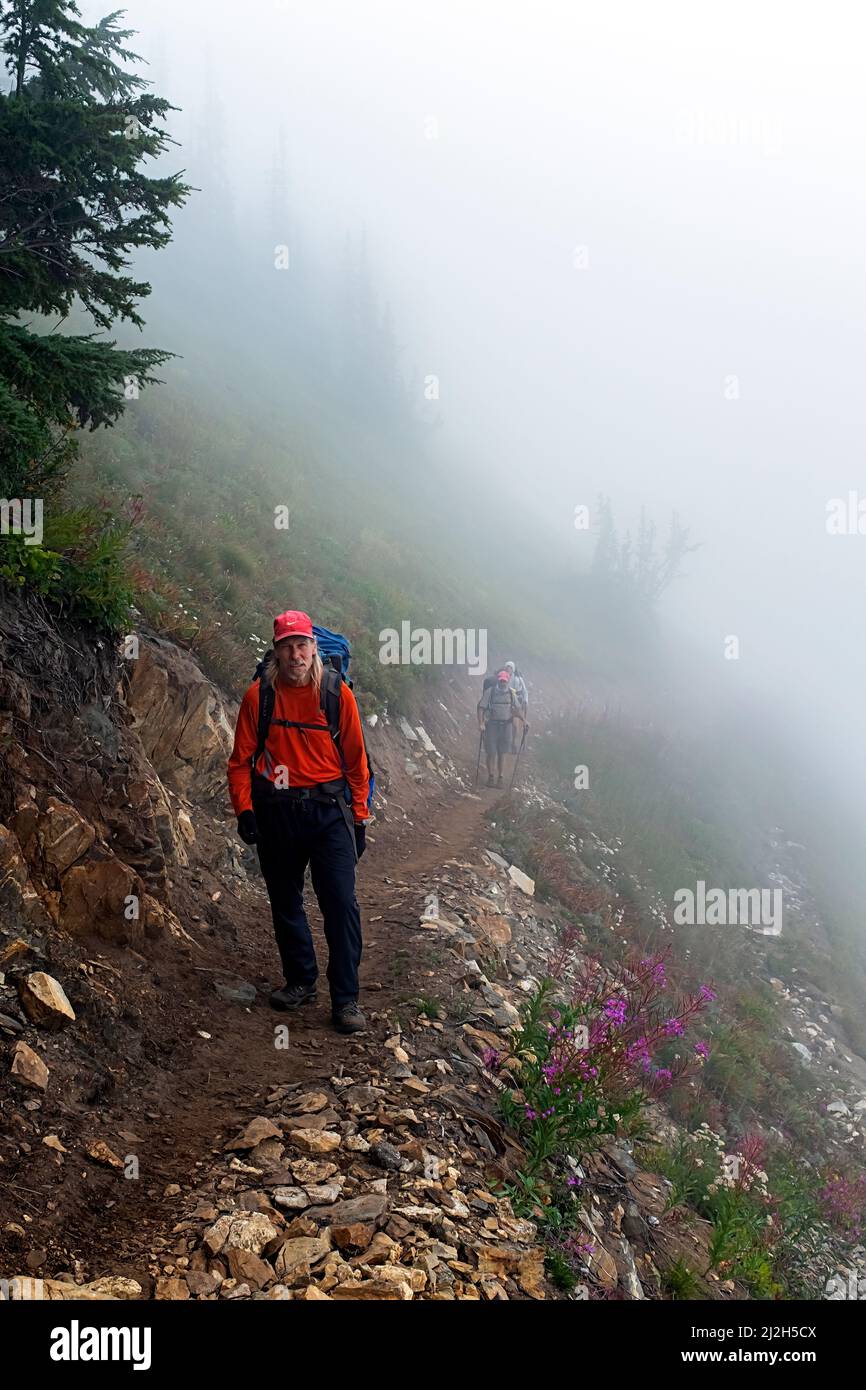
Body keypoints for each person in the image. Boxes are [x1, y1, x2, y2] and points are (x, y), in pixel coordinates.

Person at [227, 610, 370, 1034]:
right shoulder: (260, 697)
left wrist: (359, 818)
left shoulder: (336, 694)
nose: (296, 654)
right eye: (287, 646)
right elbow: (240, 762)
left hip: (329, 813)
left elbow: (358, 764)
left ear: (313, 648)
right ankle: (301, 981)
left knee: (340, 903)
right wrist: (245, 810)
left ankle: (346, 1000)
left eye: (302, 645)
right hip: (277, 811)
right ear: (276, 651)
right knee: (286, 901)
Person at [477, 669, 517, 787]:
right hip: (492, 725)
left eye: (505, 681)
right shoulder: (490, 692)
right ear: (498, 680)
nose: (503, 683)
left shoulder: (511, 693)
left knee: (502, 753)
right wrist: (481, 723)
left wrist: (524, 720)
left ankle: (500, 777)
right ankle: (491, 777)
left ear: (508, 681)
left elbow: (517, 709)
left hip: (506, 726)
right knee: (491, 752)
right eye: (501, 681)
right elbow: (481, 708)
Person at [505, 661, 528, 753]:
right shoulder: (503, 677)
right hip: (505, 701)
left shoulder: (518, 679)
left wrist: (525, 701)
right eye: (507, 667)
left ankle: (514, 743)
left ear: (513, 669)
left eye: (510, 668)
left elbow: (525, 691)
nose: (508, 669)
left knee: (514, 725)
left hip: (516, 702)